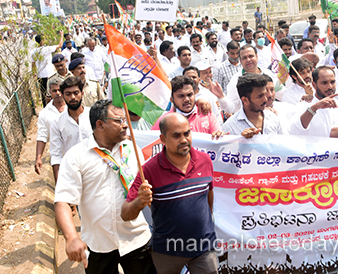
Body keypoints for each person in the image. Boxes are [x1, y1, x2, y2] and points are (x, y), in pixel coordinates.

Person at [55, 99, 155, 274]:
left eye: (125, 120)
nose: (125, 125)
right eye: (118, 121)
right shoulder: (75, 157)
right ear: (100, 125)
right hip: (98, 245)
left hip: (136, 240)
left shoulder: (134, 151)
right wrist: (71, 238)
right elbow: (63, 201)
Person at [122, 112, 218, 274]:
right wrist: (139, 202)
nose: (183, 140)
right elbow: (125, 214)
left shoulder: (204, 160)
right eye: (176, 135)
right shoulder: (148, 170)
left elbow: (209, 196)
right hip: (167, 251)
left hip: (203, 248)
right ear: (163, 139)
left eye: (187, 133)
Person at [209, 44, 282, 114]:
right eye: (244, 58)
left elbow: (282, 95)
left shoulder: (268, 74)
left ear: (257, 56)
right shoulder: (236, 80)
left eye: (251, 56)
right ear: (240, 61)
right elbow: (231, 108)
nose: (248, 60)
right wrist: (221, 97)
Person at [49, 77, 92, 181]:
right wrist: (59, 185)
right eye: (68, 94)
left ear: (82, 93)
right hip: (72, 173)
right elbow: (56, 155)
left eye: (76, 93)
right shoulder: (56, 122)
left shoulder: (94, 115)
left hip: (95, 170)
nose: (73, 97)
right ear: (63, 96)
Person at [151, 75, 221, 135]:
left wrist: (219, 136)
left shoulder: (207, 115)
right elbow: (150, 145)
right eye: (181, 96)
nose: (187, 99)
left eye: (190, 95)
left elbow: (219, 142)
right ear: (171, 99)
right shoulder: (163, 121)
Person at [288, 66, 338, 137]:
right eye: (324, 83)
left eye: (332, 82)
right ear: (314, 85)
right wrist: (313, 109)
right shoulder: (303, 106)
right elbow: (293, 131)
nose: (330, 86)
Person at [222, 73, 283, 137]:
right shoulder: (230, 127)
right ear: (245, 100)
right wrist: (241, 141)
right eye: (260, 96)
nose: (265, 99)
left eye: (265, 94)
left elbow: (282, 144)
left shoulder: (273, 118)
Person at [34, 77, 66, 175]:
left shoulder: (74, 108)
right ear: (49, 92)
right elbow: (42, 136)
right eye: (54, 91)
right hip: (57, 156)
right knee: (60, 188)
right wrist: (38, 158)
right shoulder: (45, 113)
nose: (58, 93)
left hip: (76, 154)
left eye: (60, 90)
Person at [31, 31, 64, 106]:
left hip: (40, 75)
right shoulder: (47, 49)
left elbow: (33, 65)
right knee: (53, 91)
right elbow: (60, 45)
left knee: (43, 93)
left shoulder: (33, 51)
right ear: (42, 41)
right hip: (49, 74)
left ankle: (46, 107)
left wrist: (34, 74)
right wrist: (61, 35)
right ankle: (55, 105)